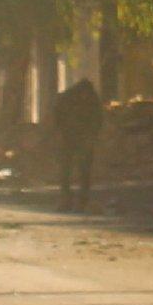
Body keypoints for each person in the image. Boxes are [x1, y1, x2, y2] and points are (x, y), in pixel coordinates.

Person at [49, 79, 102, 211]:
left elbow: (97, 119)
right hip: (69, 137)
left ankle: (80, 200)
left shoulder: (91, 99)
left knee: (82, 170)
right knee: (67, 170)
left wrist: (92, 135)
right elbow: (56, 117)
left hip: (81, 138)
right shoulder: (68, 98)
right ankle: (66, 199)